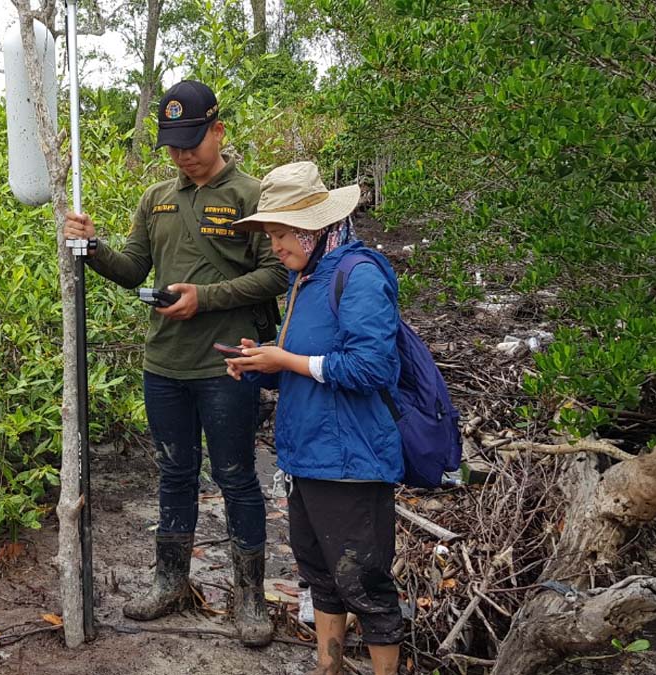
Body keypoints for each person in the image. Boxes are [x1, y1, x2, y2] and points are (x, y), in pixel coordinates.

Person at [63, 80, 287, 646]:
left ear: (218, 130)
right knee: (174, 475)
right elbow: (133, 268)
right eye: (173, 145)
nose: (182, 154)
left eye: (192, 141)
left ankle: (250, 600)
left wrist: (204, 298)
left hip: (228, 364)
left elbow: (276, 273)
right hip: (164, 363)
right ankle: (170, 583)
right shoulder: (157, 197)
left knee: (236, 477)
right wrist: (91, 249)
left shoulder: (251, 197)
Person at [227, 161, 404, 675]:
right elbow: (305, 369)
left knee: (365, 583)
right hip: (308, 455)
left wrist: (285, 360)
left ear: (309, 231)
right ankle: (328, 667)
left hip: (351, 460)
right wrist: (262, 365)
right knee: (322, 576)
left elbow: (372, 367)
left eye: (279, 235)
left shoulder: (359, 274)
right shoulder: (304, 278)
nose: (274, 247)